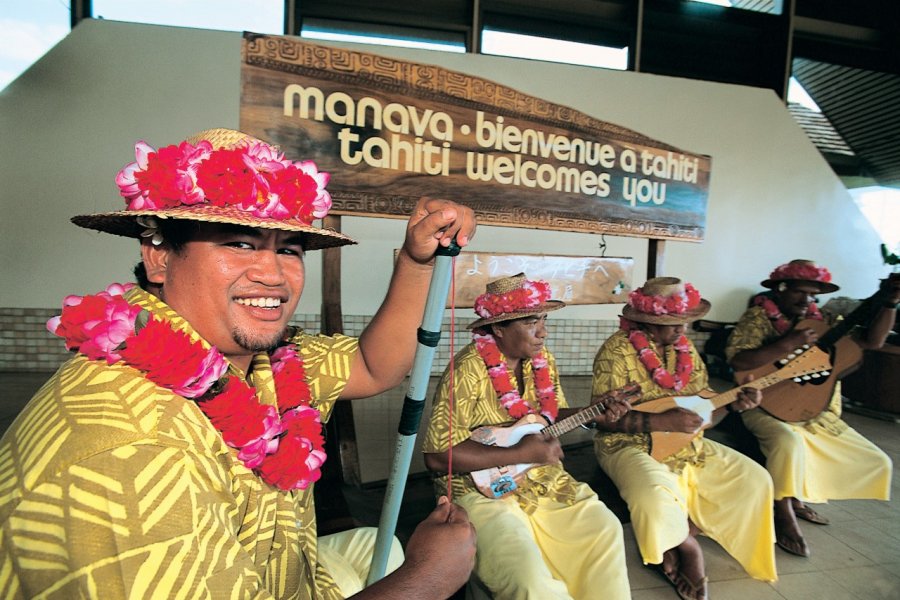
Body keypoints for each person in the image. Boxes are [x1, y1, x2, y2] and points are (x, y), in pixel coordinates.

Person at [0, 128, 478, 599]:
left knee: (380, 545)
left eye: (288, 249)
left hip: (295, 577)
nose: (272, 275)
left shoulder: (262, 361)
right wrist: (429, 579)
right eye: (240, 244)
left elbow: (375, 367)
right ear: (158, 257)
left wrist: (417, 262)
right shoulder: (132, 447)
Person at [421, 273, 632, 600]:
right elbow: (436, 456)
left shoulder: (542, 360)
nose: (543, 331)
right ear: (499, 328)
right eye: (532, 322)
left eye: (544, 319)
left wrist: (593, 414)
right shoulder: (468, 369)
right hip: (478, 488)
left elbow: (548, 417)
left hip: (540, 477)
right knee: (527, 574)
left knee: (603, 528)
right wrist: (520, 454)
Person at [591, 277, 776, 600]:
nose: (682, 331)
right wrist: (660, 420)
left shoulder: (685, 348)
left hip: (685, 442)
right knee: (652, 494)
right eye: (673, 324)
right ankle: (685, 546)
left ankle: (683, 531)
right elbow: (604, 422)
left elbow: (702, 412)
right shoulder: (616, 351)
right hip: (627, 445)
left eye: (684, 323)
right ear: (647, 323)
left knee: (755, 479)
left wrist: (732, 405)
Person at [725, 259, 896, 558]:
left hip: (815, 409)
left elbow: (873, 340)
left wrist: (890, 302)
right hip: (761, 402)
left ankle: (798, 496)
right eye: (799, 293)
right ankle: (782, 507)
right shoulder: (757, 318)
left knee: (877, 461)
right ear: (781, 289)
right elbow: (739, 362)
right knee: (788, 442)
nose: (807, 301)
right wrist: (787, 344)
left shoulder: (824, 319)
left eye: (812, 295)